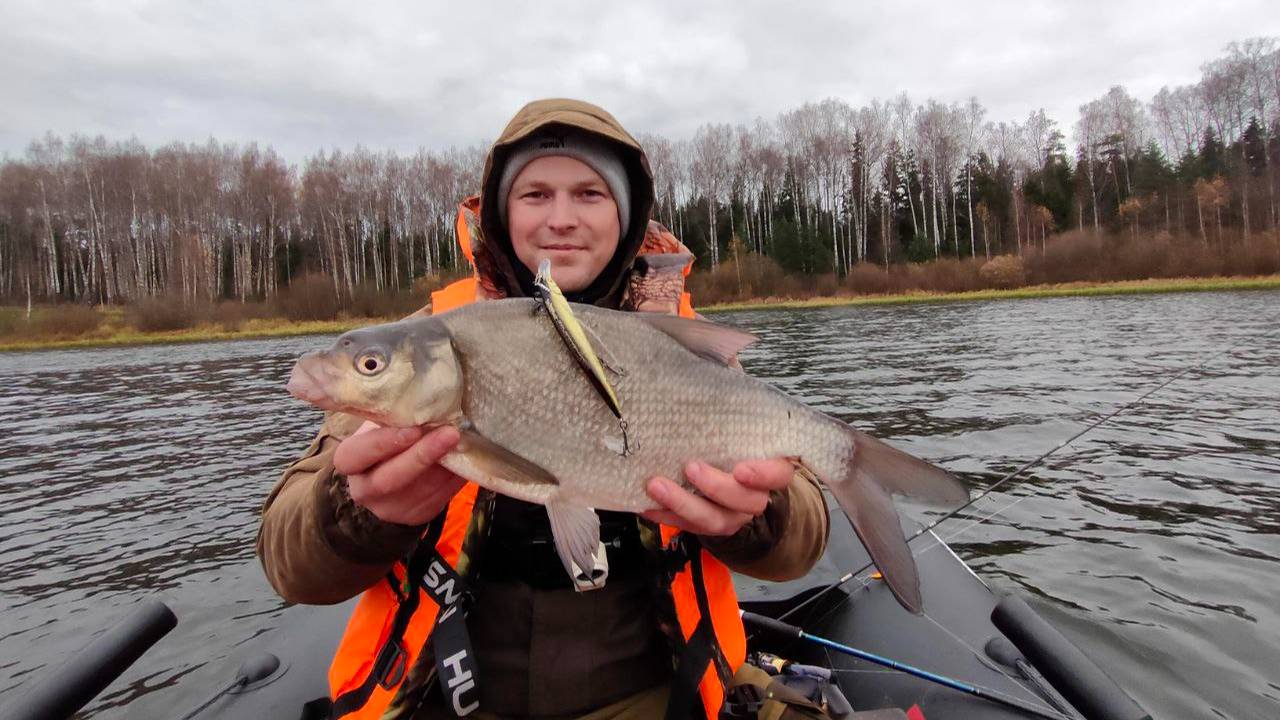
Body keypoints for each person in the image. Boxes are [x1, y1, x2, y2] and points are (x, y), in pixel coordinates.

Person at [257, 98, 831, 720]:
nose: (561, 219)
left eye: (589, 193)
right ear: (501, 213)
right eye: (534, 195)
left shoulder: (682, 353)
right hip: (445, 696)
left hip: (662, 690)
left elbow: (799, 545)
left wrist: (754, 516)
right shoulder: (420, 347)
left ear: (626, 213)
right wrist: (357, 512)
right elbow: (290, 564)